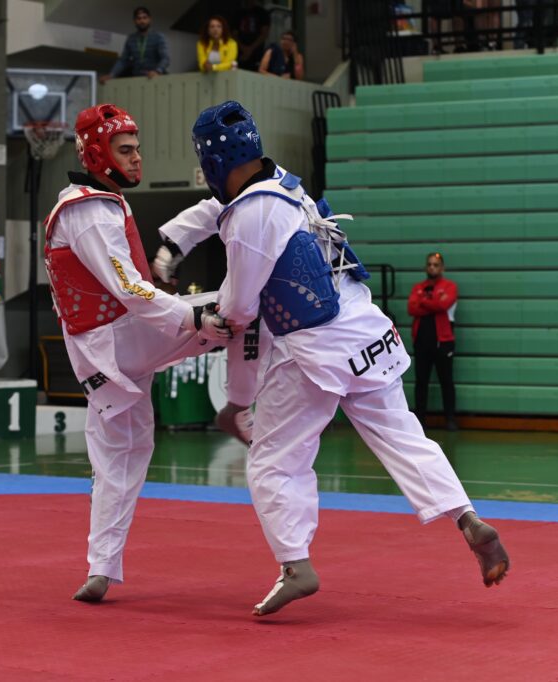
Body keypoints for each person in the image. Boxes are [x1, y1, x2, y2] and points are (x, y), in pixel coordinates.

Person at [167, 100, 508, 617]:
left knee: (275, 459)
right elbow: (213, 214)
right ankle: (467, 519)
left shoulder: (248, 216)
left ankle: (295, 563)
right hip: (365, 329)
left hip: (313, 350)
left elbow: (238, 306)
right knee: (404, 436)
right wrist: (174, 241)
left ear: (213, 162)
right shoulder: (285, 185)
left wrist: (209, 322)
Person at [45, 103, 265, 604]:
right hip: (121, 338)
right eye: (126, 149)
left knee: (120, 458)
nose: (137, 157)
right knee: (243, 303)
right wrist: (192, 320)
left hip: (101, 355)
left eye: (137, 147)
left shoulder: (89, 205)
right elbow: (127, 288)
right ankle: (238, 406)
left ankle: (100, 568)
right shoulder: (89, 212)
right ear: (98, 154)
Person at [407, 252, 459, 430]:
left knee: (447, 381)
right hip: (421, 342)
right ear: (425, 267)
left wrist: (424, 301)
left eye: (436, 265)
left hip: (443, 342)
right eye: (429, 264)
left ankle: (450, 418)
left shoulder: (450, 286)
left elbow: (442, 305)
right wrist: (432, 303)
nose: (432, 267)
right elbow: (412, 309)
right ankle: (419, 420)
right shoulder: (418, 287)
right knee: (421, 382)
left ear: (442, 267)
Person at [99, 7, 170, 84]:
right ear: (135, 21)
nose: (142, 21)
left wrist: (157, 71)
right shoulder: (131, 39)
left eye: (144, 18)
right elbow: (123, 60)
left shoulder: (158, 37)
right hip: (137, 79)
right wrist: (111, 74)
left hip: (155, 78)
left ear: (150, 19)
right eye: (138, 18)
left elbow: (165, 58)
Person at [233, 0, 272, 71]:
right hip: (240, 53)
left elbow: (264, 34)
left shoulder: (262, 13)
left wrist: (250, 49)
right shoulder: (238, 13)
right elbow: (234, 34)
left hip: (256, 53)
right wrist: (243, 48)